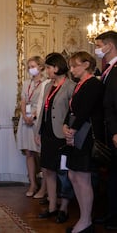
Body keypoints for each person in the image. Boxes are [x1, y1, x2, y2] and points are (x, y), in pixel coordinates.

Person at [63, 51, 104, 233]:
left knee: (83, 178)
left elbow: (85, 111)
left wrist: (72, 130)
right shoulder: (80, 84)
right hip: (75, 134)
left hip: (86, 136)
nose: (71, 70)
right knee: (73, 175)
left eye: (74, 66)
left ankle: (86, 221)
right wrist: (65, 125)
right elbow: (71, 109)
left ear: (86, 64)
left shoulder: (93, 83)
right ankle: (83, 218)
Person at [35, 52, 76, 223]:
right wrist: (38, 132)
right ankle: (52, 206)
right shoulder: (47, 86)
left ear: (57, 68)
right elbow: (44, 111)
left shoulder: (71, 86)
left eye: (49, 68)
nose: (47, 71)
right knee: (48, 170)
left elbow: (73, 113)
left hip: (62, 136)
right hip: (47, 134)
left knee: (63, 173)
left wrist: (71, 133)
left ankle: (64, 208)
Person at [93, 31, 117, 230]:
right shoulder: (107, 69)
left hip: (114, 132)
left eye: (99, 45)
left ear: (109, 46)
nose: (97, 49)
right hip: (106, 131)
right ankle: (110, 214)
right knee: (111, 176)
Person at [16, 56, 47, 198]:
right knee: (29, 152)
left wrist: (33, 116)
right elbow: (23, 101)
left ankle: (45, 186)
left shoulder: (46, 83)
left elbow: (43, 103)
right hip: (26, 118)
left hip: (38, 118)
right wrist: (25, 115)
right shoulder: (26, 82)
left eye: (33, 66)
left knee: (41, 153)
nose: (30, 69)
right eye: (29, 67)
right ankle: (33, 183)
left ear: (41, 67)